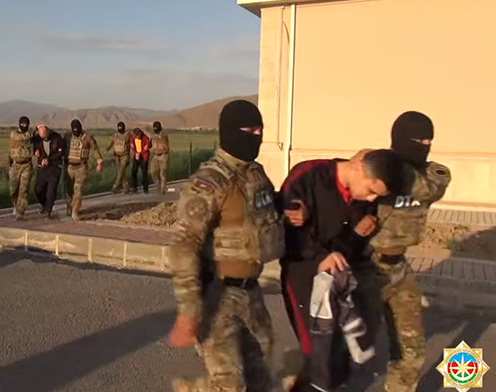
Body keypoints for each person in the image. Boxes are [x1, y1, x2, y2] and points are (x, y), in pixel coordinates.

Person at [168, 100, 285, 392]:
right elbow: (183, 247)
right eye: (249, 130)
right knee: (230, 384)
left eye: (260, 130)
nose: (257, 136)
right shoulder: (210, 182)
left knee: (263, 380)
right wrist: (188, 311)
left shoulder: (255, 174)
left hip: (252, 294)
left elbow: (266, 214)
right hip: (217, 297)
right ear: (231, 132)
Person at [278, 149, 404, 392]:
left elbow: (347, 247)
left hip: (339, 278)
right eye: (371, 191)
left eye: (377, 196)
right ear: (358, 166)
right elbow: (287, 231)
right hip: (303, 273)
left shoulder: (364, 201)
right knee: (316, 352)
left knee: (336, 351)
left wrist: (356, 235)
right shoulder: (309, 175)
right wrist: (320, 256)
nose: (371, 199)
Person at [354, 111, 451, 392]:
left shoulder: (432, 174)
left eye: (428, 141)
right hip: (367, 268)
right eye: (417, 141)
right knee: (347, 340)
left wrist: (387, 165)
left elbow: (428, 189)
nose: (424, 146)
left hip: (400, 269)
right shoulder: (376, 168)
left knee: (411, 343)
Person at [63, 119, 103, 220]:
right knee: (68, 189)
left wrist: (99, 162)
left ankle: (75, 211)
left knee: (78, 190)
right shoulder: (67, 136)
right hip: (69, 167)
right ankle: (70, 206)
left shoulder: (87, 137)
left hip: (81, 166)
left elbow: (95, 149)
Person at [33, 124, 65, 219]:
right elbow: (29, 139)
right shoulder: (37, 139)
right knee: (38, 189)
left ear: (48, 132)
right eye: (41, 136)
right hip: (42, 167)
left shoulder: (57, 138)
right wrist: (35, 151)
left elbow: (61, 152)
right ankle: (44, 205)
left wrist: (49, 160)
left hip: (54, 167)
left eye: (45, 135)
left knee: (51, 190)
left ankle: (48, 211)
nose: (44, 138)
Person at [8, 116, 35, 220]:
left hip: (26, 165)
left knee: (24, 190)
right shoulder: (14, 134)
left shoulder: (30, 135)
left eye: (26, 124)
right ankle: (15, 205)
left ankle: (20, 211)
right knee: (13, 190)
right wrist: (33, 131)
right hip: (15, 165)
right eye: (22, 124)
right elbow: (21, 137)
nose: (24, 126)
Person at [105, 121, 131, 194]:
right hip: (117, 156)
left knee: (121, 170)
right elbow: (112, 142)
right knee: (121, 172)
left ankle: (116, 186)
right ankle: (126, 186)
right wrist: (108, 148)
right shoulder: (115, 135)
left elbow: (133, 142)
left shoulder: (128, 135)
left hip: (125, 155)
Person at [150, 120, 170, 194]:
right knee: (152, 172)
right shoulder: (153, 136)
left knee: (162, 173)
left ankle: (162, 189)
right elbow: (152, 145)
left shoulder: (164, 135)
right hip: (156, 155)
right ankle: (157, 184)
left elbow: (162, 138)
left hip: (164, 155)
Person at [130, 128, 150, 194]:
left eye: (138, 135)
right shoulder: (133, 138)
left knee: (144, 172)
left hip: (143, 156)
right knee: (134, 171)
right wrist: (136, 153)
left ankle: (145, 189)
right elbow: (132, 146)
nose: (137, 137)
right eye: (136, 135)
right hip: (136, 155)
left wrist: (139, 153)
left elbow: (146, 148)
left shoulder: (145, 138)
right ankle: (134, 188)